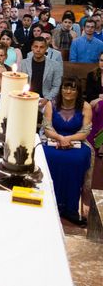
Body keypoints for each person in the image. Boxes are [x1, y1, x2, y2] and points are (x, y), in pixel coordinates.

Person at [42, 77, 93, 226]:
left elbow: (85, 131)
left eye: (72, 88)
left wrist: (68, 139)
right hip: (54, 140)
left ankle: (70, 209)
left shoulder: (85, 106)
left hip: (77, 142)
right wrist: (59, 138)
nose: (68, 91)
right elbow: (47, 128)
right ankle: (49, 203)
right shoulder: (52, 104)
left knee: (76, 160)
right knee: (47, 156)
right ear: (61, 89)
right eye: (65, 88)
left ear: (78, 91)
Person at [20, 37, 62, 107]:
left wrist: (47, 99)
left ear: (46, 49)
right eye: (36, 47)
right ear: (32, 48)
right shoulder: (23, 63)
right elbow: (19, 83)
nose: (38, 50)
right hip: (26, 98)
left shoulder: (55, 65)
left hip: (46, 99)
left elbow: (56, 86)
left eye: (41, 47)